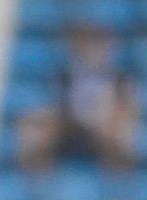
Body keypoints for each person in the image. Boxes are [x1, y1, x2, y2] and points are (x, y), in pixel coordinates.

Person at [18, 23, 139, 172]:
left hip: (104, 128)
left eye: (97, 45)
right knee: (34, 123)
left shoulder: (121, 80)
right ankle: (37, 179)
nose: (92, 51)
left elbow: (129, 108)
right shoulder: (64, 77)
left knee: (121, 127)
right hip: (70, 127)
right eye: (88, 45)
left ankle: (117, 178)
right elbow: (54, 105)